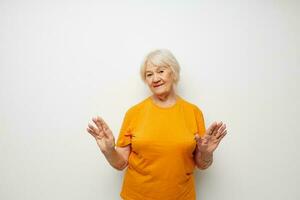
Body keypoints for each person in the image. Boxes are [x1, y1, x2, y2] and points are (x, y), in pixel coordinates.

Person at [87, 49, 227, 200]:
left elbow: (202, 164)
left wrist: (206, 153)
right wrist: (109, 151)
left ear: (173, 73)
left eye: (161, 71)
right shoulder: (134, 113)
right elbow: (121, 163)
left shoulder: (193, 112)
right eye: (149, 74)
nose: (155, 78)